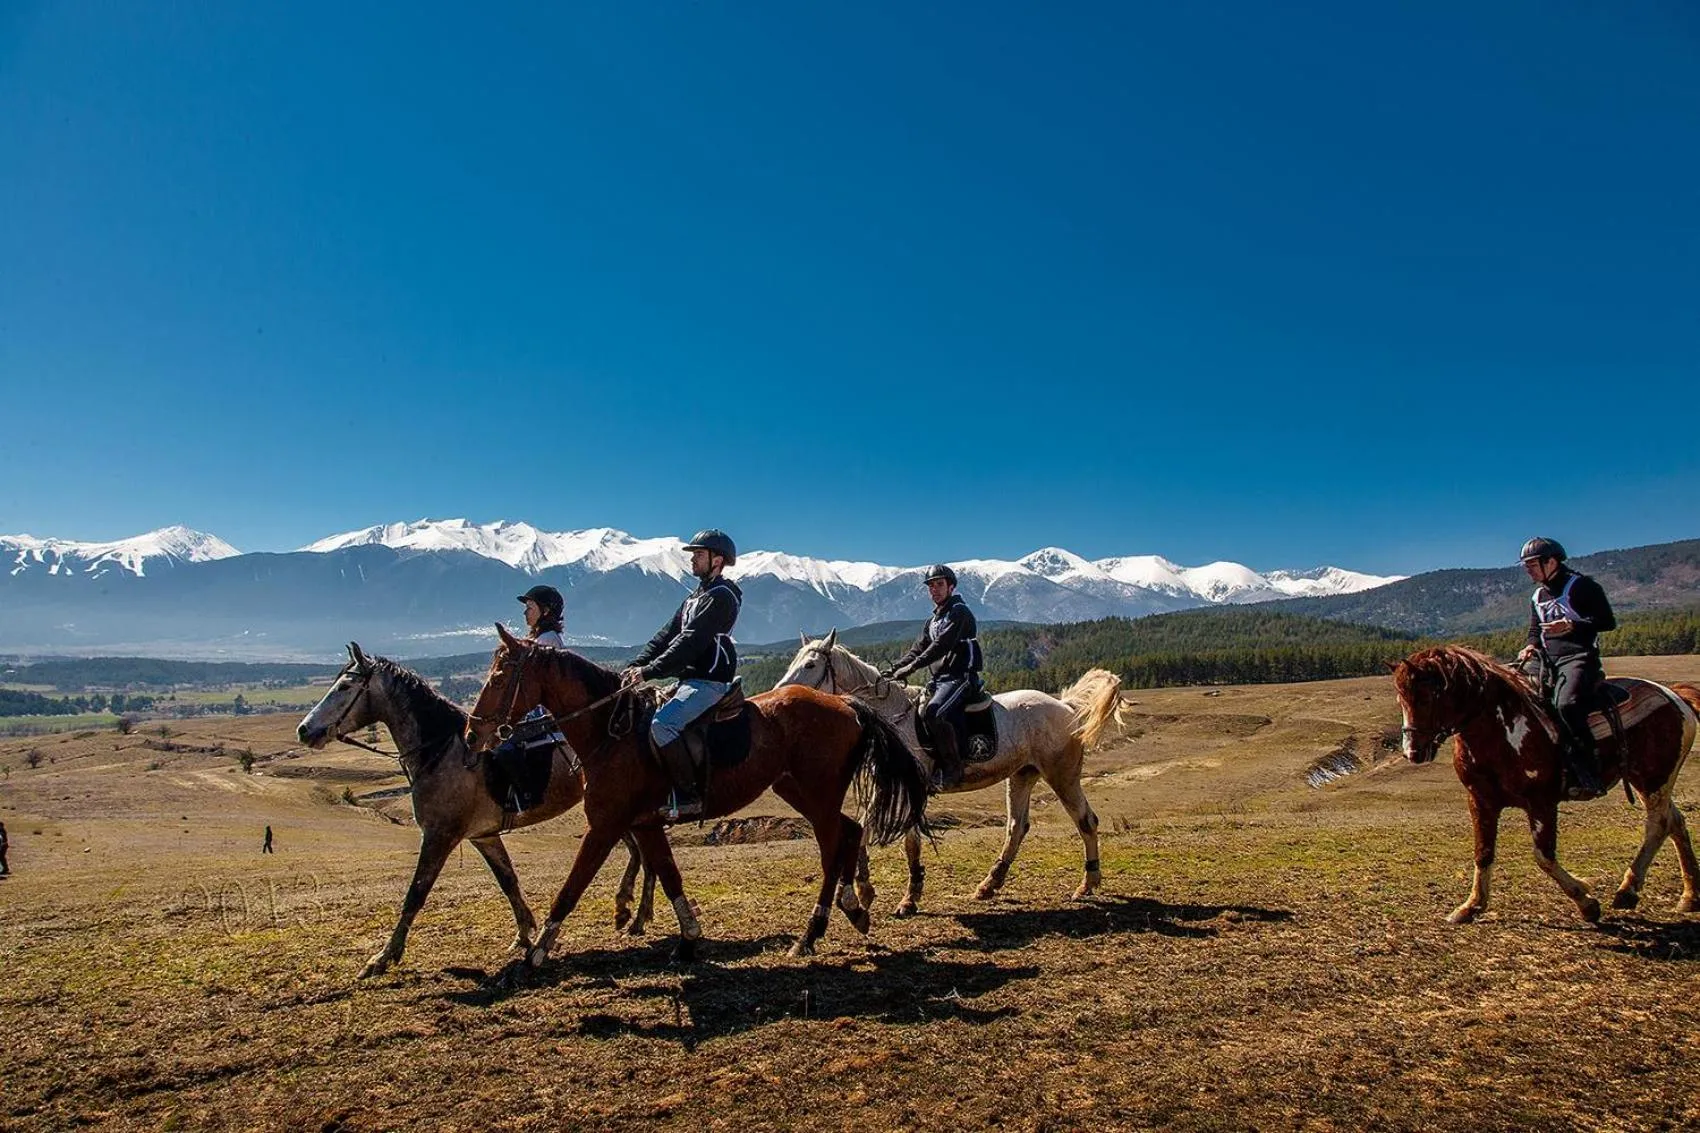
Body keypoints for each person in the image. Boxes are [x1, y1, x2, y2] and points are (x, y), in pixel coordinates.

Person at [621, 530, 743, 822]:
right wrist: (636, 664)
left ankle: (689, 796)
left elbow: (691, 641)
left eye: (699, 555)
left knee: (663, 724)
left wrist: (650, 672)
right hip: (690, 679)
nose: (692, 560)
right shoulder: (696, 596)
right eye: (693, 555)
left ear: (718, 561)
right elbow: (666, 634)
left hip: (709, 680)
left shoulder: (722, 597)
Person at [1516, 537, 1617, 799]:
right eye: (1526, 565)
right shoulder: (1538, 596)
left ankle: (1589, 771)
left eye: (1532, 564)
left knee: (1566, 705)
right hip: (1546, 660)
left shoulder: (1582, 586)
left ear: (1551, 561)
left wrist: (1571, 626)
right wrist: (1529, 647)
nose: (1528, 570)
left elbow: (1607, 621)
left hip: (1579, 656)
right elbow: (1535, 630)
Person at [881, 564, 984, 790]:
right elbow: (918, 649)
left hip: (960, 676)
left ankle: (954, 769)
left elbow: (940, 646)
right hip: (940, 679)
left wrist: (911, 669)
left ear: (951, 586)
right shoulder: (933, 620)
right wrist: (894, 668)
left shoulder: (959, 612)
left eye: (939, 585)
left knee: (933, 712)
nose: (934, 590)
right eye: (930, 586)